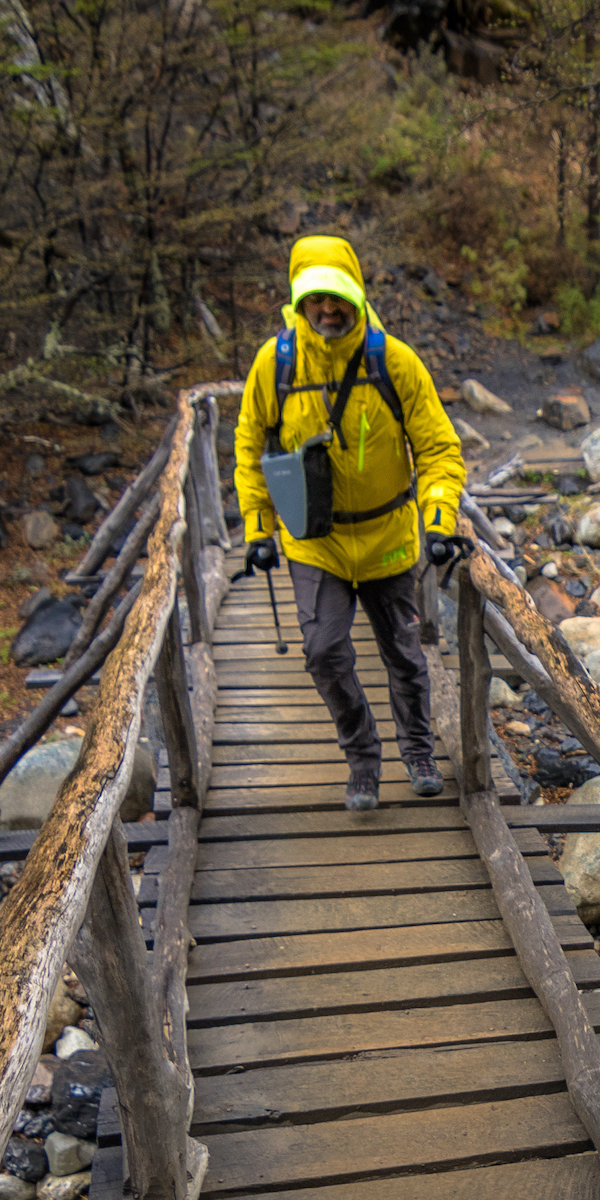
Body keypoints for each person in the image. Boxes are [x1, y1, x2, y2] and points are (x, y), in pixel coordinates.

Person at [232, 235, 468, 810]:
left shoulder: (395, 361)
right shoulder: (276, 363)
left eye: (337, 299)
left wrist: (439, 519)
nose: (328, 310)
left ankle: (417, 750)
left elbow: (438, 447)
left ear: (357, 297)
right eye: (316, 299)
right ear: (298, 302)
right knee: (324, 651)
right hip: (317, 542)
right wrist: (258, 529)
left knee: (406, 655)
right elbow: (249, 444)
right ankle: (362, 758)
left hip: (389, 537)